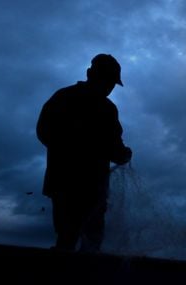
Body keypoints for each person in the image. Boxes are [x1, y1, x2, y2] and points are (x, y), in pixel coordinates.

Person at [37, 53, 132, 252]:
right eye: (107, 80)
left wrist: (120, 153)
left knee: (72, 237)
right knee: (82, 237)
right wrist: (122, 153)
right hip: (75, 185)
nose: (109, 86)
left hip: (70, 184)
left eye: (111, 82)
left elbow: (43, 132)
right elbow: (45, 132)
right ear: (90, 74)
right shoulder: (105, 108)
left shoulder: (64, 97)